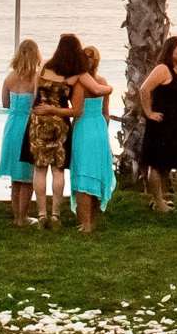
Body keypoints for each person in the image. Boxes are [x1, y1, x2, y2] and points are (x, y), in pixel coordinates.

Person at [30, 36, 82, 229]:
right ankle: (56, 214)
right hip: (59, 122)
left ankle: (41, 213)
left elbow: (35, 95)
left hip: (38, 121)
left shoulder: (43, 67)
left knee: (40, 169)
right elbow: (75, 108)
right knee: (58, 169)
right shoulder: (73, 76)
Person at [137, 34, 177, 212]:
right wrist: (148, 112)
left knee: (166, 163)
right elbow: (144, 89)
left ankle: (160, 198)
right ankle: (158, 202)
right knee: (157, 162)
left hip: (176, 123)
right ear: (170, 50)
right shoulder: (163, 68)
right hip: (161, 122)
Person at [69, 45, 117, 232]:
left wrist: (102, 129)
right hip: (88, 126)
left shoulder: (92, 82)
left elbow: (105, 112)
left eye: (92, 57)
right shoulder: (85, 82)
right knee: (86, 173)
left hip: (93, 127)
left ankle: (89, 222)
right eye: (86, 56)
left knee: (91, 173)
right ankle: (86, 222)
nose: (89, 60)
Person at [0, 38, 41, 225]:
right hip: (28, 125)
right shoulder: (36, 78)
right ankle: (23, 217)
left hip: (12, 124)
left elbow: (5, 103)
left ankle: (16, 217)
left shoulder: (9, 78)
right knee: (27, 175)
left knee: (15, 175)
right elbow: (37, 102)